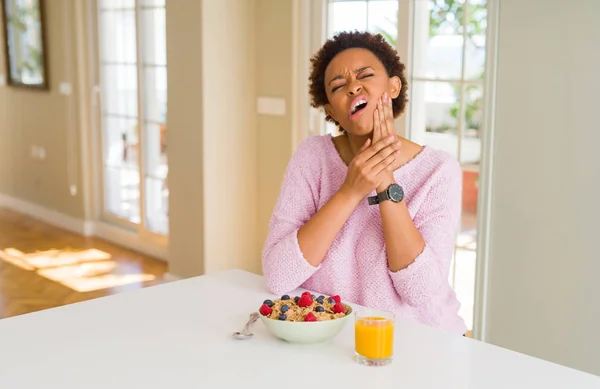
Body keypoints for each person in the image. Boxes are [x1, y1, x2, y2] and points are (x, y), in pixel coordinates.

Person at [261, 31, 467, 335]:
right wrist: (350, 190)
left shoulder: (439, 169)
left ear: (393, 86)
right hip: (335, 342)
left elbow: (420, 291)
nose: (353, 86)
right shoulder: (312, 156)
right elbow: (279, 275)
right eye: (338, 86)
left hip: (423, 342)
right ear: (332, 110)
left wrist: (384, 181)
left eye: (365, 75)